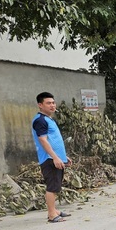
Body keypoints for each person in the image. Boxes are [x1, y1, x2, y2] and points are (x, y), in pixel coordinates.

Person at [31, 92, 73, 223]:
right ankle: (51, 215)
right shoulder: (40, 120)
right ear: (40, 105)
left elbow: (53, 140)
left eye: (53, 102)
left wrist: (62, 156)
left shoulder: (48, 119)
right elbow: (43, 140)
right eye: (48, 103)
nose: (52, 105)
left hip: (55, 157)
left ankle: (55, 210)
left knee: (56, 185)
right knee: (52, 186)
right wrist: (55, 157)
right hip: (49, 159)